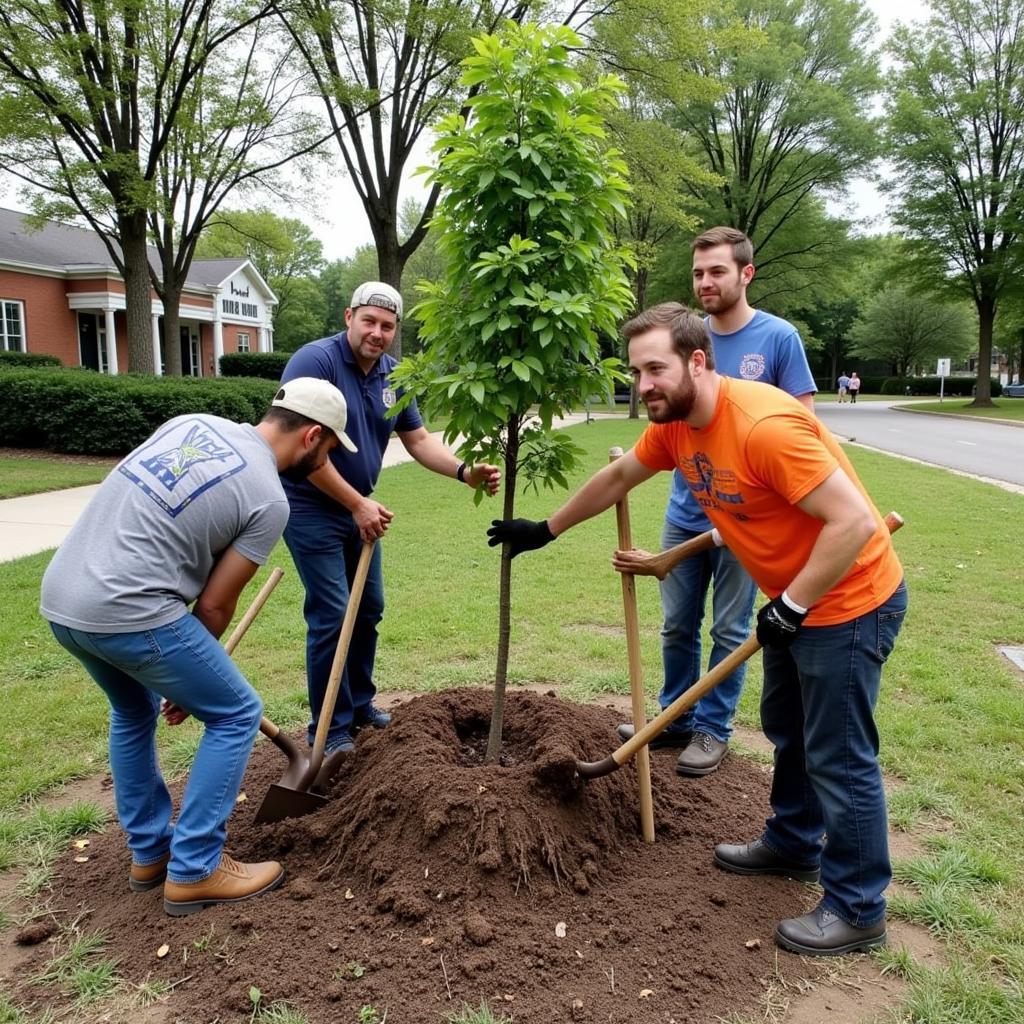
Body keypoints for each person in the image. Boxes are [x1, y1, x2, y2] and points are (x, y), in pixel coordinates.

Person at [487, 302, 907, 956]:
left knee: (840, 755)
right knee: (789, 731)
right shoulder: (678, 427)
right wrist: (546, 529)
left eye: (656, 368)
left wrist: (792, 606)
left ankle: (859, 908)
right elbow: (621, 474)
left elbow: (853, 522)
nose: (643, 383)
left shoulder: (762, 426)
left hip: (850, 603)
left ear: (698, 361)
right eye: (635, 371)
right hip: (798, 600)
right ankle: (795, 843)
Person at [40, 378, 355, 916]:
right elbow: (213, 606)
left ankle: (151, 854)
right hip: (130, 609)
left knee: (132, 711)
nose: (328, 460)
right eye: (329, 450)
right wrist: (189, 676)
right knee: (236, 712)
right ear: (312, 436)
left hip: (64, 599)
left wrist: (181, 675)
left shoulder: (191, 424)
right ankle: (196, 869)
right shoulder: (268, 497)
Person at [616, 227, 816, 777]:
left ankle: (712, 728)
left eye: (717, 272)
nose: (705, 282)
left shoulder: (777, 339)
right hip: (686, 511)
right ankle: (673, 715)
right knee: (676, 624)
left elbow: (804, 430)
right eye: (698, 273)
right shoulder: (682, 335)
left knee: (729, 630)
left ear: (745, 274)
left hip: (746, 520)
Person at [280, 282, 500, 756]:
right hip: (309, 505)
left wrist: (464, 472)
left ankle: (359, 706)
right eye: (369, 321)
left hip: (360, 509)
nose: (377, 333)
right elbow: (301, 448)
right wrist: (357, 503)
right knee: (333, 615)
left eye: (387, 326)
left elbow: (418, 440)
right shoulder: (315, 363)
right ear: (348, 317)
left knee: (369, 608)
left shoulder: (393, 375)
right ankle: (331, 729)